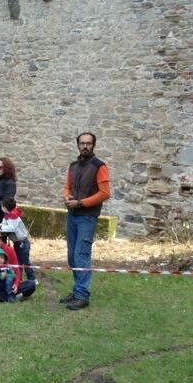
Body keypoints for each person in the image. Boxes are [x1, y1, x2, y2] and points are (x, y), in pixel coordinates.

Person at [61, 132, 111, 310]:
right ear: (78, 145)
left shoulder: (99, 166)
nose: (85, 146)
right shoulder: (73, 166)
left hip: (87, 218)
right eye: (82, 143)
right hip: (72, 215)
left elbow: (105, 193)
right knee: (71, 256)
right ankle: (77, 291)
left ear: (94, 146)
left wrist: (81, 203)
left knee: (81, 255)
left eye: (88, 143)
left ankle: (82, 295)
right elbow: (67, 187)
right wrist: (67, 197)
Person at [2, 197, 34, 282]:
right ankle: (18, 279)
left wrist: (0, 227)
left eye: (2, 205)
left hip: (22, 242)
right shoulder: (7, 215)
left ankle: (32, 279)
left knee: (24, 262)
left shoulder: (13, 215)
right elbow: (4, 225)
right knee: (18, 262)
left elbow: (11, 228)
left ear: (5, 207)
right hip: (17, 243)